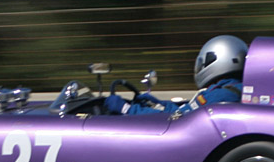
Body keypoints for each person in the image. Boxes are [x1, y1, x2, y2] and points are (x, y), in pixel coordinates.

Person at [105, 35, 247, 116]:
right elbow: (183, 110)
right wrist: (159, 103)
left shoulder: (222, 95)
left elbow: (177, 118)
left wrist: (127, 109)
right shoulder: (232, 89)